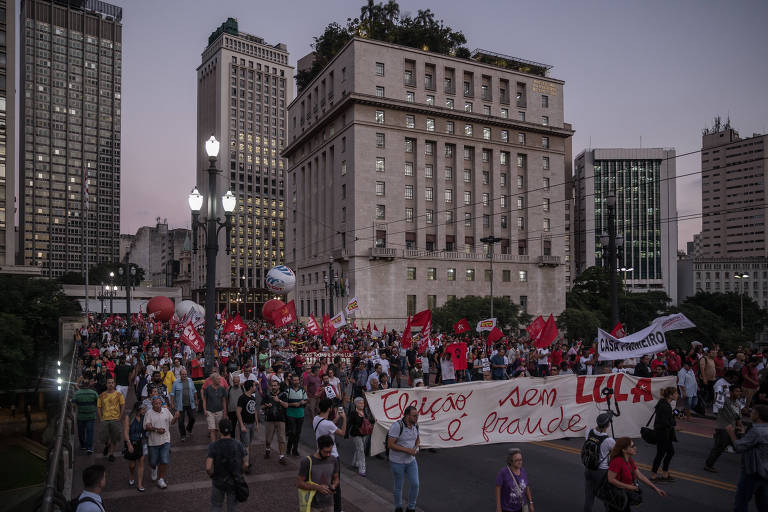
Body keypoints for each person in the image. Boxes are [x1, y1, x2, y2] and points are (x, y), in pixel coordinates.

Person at [725, 404, 768, 512]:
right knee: (763, 504)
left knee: (741, 502)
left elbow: (739, 446)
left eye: (752, 412)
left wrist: (731, 432)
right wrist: (746, 434)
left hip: (752, 471)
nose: (750, 414)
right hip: (765, 471)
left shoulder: (756, 431)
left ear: (758, 415)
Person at [605, 438, 666, 511]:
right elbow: (611, 479)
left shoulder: (629, 459)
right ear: (624, 450)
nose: (635, 447)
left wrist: (656, 488)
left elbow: (639, 475)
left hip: (624, 496)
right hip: (616, 497)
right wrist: (629, 487)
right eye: (632, 446)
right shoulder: (617, 461)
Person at [206, 418, 248, 512]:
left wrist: (212, 475)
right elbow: (246, 464)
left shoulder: (213, 445)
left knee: (216, 505)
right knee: (232, 507)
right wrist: (240, 473)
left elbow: (208, 467)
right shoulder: (238, 444)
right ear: (231, 429)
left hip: (218, 481)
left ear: (220, 430)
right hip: (233, 481)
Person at [313, 398, 347, 512]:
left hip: (320, 455)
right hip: (332, 457)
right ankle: (338, 509)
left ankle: (319, 504)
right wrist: (344, 419)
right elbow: (342, 433)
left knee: (322, 481)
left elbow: (328, 424)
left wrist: (336, 417)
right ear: (329, 409)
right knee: (336, 484)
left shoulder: (316, 419)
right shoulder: (328, 424)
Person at [387, 405, 420, 512]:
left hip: (411, 461)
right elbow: (390, 444)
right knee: (399, 486)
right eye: (414, 416)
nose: (416, 418)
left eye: (417, 415)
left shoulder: (416, 426)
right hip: (397, 462)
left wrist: (416, 447)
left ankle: (411, 508)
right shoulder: (397, 426)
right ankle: (398, 507)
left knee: (415, 484)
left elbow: (418, 439)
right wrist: (408, 450)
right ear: (407, 415)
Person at [705, 385, 744, 472]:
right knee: (718, 448)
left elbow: (738, 418)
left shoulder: (737, 404)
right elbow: (717, 401)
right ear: (731, 392)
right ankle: (708, 465)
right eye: (736, 391)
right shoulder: (725, 401)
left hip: (732, 430)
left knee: (740, 448)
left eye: (740, 391)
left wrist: (741, 428)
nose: (739, 393)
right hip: (722, 428)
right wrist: (722, 390)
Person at [297, 435, 340, 512]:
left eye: (330, 451)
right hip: (312, 505)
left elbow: (336, 478)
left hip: (329, 504)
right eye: (326, 452)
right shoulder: (307, 462)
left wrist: (333, 486)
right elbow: (299, 483)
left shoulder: (333, 460)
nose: (328, 454)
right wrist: (318, 487)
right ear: (319, 448)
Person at [583, 413, 616, 512]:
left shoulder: (588, 432)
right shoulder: (609, 440)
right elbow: (616, 454)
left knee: (589, 496)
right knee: (606, 496)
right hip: (602, 471)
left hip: (588, 468)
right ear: (608, 425)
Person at [143, 395, 178, 489]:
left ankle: (161, 479)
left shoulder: (165, 411)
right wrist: (156, 430)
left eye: (159, 403)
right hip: (153, 442)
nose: (158, 405)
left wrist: (175, 417)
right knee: (153, 462)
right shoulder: (149, 413)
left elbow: (172, 422)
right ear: (152, 404)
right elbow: (147, 427)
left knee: (164, 460)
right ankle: (154, 469)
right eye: (156, 404)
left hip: (165, 440)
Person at [650, 386, 678, 482]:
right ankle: (655, 475)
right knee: (664, 453)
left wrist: (673, 416)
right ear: (670, 395)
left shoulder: (664, 404)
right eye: (675, 393)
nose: (677, 395)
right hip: (663, 434)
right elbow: (665, 422)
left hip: (663, 433)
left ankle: (663, 474)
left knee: (665, 453)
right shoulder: (665, 406)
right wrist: (673, 422)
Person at [495, 448, 534, 512]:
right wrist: (499, 507)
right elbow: (498, 489)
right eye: (517, 460)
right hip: (507, 509)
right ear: (510, 461)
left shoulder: (523, 471)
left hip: (521, 507)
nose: (520, 462)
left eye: (521, 460)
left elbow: (527, 487)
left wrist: (531, 503)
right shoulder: (503, 473)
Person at [97, 377, 125, 462]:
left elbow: (122, 405)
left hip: (115, 419)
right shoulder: (102, 395)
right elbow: (99, 407)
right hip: (105, 419)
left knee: (114, 437)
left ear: (114, 384)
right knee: (104, 437)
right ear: (106, 384)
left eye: (112, 383)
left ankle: (111, 454)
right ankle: (107, 444)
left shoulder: (119, 395)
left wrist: (120, 417)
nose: (111, 384)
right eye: (109, 383)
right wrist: (100, 418)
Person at [236, 380, 260, 472]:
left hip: (252, 424)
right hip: (245, 424)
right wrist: (241, 425)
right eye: (254, 386)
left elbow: (254, 411)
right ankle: (246, 464)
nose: (255, 387)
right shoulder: (242, 398)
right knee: (246, 445)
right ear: (250, 387)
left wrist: (257, 424)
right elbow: (238, 412)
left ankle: (243, 459)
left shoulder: (252, 398)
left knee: (248, 444)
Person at [123, 401, 147, 492]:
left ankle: (140, 484)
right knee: (132, 465)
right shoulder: (128, 418)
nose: (145, 411)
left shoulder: (144, 417)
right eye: (143, 409)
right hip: (132, 442)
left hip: (141, 442)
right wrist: (129, 444)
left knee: (141, 461)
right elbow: (125, 432)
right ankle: (132, 474)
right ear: (138, 410)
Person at [263, 380, 289, 464]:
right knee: (268, 439)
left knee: (282, 439)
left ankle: (281, 457)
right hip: (269, 420)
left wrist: (279, 401)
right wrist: (266, 405)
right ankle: (267, 450)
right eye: (272, 386)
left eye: (275, 385)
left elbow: (286, 405)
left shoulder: (283, 395)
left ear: (278, 386)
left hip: (281, 420)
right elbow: (261, 406)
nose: (273, 387)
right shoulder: (267, 395)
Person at [170, 368, 198, 441]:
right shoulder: (176, 382)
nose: (184, 375)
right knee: (181, 421)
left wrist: (196, 399)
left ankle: (189, 428)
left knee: (193, 418)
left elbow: (194, 391)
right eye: (183, 374)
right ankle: (183, 435)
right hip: (180, 405)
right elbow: (172, 394)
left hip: (190, 403)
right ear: (180, 374)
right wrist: (172, 403)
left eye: (185, 374)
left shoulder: (190, 380)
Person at [73, 378, 99, 454]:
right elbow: (98, 403)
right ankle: (89, 448)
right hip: (91, 416)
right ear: (88, 385)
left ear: (81, 385)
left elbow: (73, 404)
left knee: (81, 432)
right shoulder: (93, 393)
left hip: (81, 416)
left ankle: (83, 445)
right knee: (90, 432)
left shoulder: (77, 393)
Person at [348, 396, 372, 476]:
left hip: (365, 433)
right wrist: (346, 434)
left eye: (363, 403)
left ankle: (354, 463)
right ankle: (362, 469)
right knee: (361, 450)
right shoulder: (353, 413)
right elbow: (349, 423)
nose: (362, 404)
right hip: (356, 434)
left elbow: (368, 421)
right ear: (356, 404)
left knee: (359, 448)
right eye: (360, 403)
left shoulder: (365, 412)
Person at [285, 374, 308, 457]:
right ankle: (288, 449)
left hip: (300, 414)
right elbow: (284, 403)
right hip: (290, 414)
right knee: (292, 432)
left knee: (298, 433)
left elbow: (306, 400)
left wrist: (303, 402)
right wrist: (292, 404)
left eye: (297, 380)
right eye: (294, 380)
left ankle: (295, 450)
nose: (296, 382)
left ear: (299, 381)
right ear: (291, 381)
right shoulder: (288, 390)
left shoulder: (302, 390)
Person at [203, 370, 228, 443]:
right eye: (218, 379)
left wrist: (225, 412)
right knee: (212, 429)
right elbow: (204, 400)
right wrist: (204, 410)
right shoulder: (208, 389)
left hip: (219, 410)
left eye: (219, 379)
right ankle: (213, 445)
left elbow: (224, 400)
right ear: (213, 380)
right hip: (209, 411)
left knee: (219, 429)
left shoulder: (222, 389)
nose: (220, 380)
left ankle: (218, 442)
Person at [227, 374, 244, 440]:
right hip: (232, 411)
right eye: (234, 382)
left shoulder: (243, 388)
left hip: (241, 411)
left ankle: (242, 441)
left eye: (237, 382)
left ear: (239, 381)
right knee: (232, 428)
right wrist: (226, 412)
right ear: (232, 381)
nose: (236, 383)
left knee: (241, 427)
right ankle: (232, 441)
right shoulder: (229, 389)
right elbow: (226, 400)